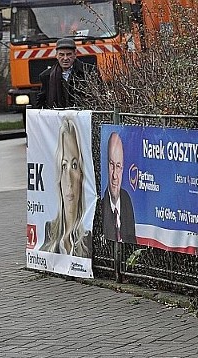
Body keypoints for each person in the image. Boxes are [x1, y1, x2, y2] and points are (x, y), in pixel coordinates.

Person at [40, 117, 92, 257]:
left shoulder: (88, 237)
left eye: (74, 165)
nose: (69, 179)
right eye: (64, 166)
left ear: (82, 173)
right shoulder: (50, 232)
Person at [35, 37, 98, 109]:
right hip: (57, 117)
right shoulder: (46, 76)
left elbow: (98, 97)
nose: (65, 58)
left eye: (68, 54)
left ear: (75, 54)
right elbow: (41, 101)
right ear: (56, 56)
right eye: (61, 54)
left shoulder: (89, 72)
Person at [102, 132, 135, 243]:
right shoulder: (100, 207)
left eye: (118, 167)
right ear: (107, 165)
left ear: (123, 169)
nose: (115, 175)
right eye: (112, 165)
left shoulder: (126, 200)